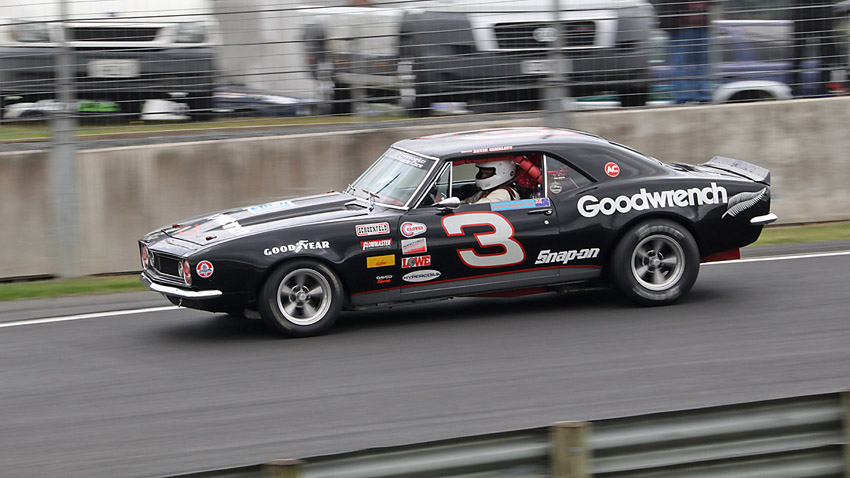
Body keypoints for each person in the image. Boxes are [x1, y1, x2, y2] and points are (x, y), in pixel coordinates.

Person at [657, 0, 714, 104]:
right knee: (681, 64)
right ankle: (684, 97)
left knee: (701, 64)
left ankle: (702, 96)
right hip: (680, 26)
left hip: (701, 26)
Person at [790, 0, 841, 96]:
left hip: (809, 11)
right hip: (811, 11)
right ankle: (798, 87)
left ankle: (821, 87)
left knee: (824, 51)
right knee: (800, 51)